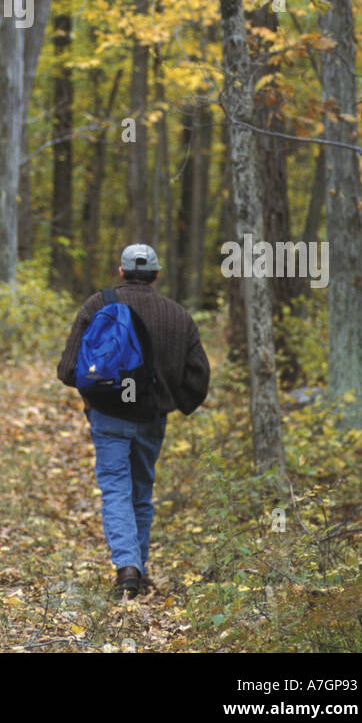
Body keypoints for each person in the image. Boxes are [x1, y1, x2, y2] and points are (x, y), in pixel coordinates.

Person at [57, 243, 210, 600]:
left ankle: (127, 566)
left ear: (122, 272)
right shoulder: (178, 315)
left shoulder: (98, 304)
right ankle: (137, 567)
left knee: (114, 489)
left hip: (108, 414)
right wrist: (173, 401)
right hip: (151, 418)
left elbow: (68, 369)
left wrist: (96, 394)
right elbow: (198, 377)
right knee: (141, 492)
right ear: (157, 275)